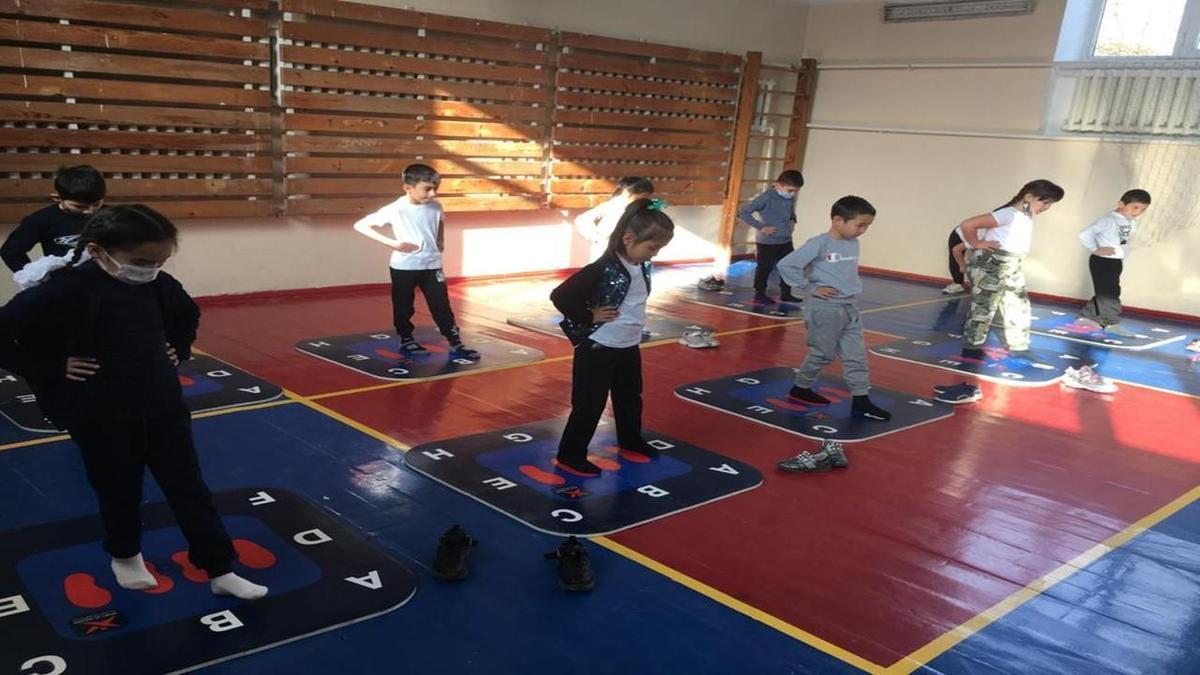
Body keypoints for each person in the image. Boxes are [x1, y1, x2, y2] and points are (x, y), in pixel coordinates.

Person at [0, 205, 267, 600]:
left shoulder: (159, 285)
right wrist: (51, 366)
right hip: (99, 412)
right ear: (97, 251)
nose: (150, 270)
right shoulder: (64, 290)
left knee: (189, 488)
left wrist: (179, 347)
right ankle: (125, 555)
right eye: (141, 262)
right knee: (118, 489)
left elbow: (187, 314)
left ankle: (219, 567)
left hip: (161, 403)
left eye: (159, 262)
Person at [549, 198, 675, 476]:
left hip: (628, 345)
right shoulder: (602, 268)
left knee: (630, 397)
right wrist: (588, 315)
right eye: (652, 248)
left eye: (659, 249)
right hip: (598, 346)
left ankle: (630, 439)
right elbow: (560, 296)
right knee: (589, 403)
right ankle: (571, 454)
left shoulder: (641, 266)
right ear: (629, 238)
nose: (654, 254)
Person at [776, 195, 891, 423]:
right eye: (860, 225)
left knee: (856, 356)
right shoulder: (819, 243)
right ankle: (801, 387)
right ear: (838, 220)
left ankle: (861, 400)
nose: (863, 231)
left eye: (867, 226)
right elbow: (786, 265)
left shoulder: (853, 242)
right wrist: (809, 287)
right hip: (825, 309)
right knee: (822, 354)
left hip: (848, 306)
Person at [352, 163, 479, 359]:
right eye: (427, 189)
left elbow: (440, 220)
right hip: (405, 267)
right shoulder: (397, 209)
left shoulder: (435, 206)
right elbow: (360, 225)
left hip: (432, 265)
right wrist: (393, 244)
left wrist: (441, 238)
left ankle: (455, 341)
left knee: (441, 305)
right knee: (404, 305)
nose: (432, 194)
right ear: (407, 188)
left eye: (435, 189)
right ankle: (406, 338)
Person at [958, 179, 1065, 360]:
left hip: (1012, 264)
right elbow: (968, 225)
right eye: (1045, 202)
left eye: (1050, 204)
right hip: (991, 264)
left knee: (1018, 304)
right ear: (1028, 197)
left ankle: (1019, 346)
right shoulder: (1008, 214)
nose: (1047, 207)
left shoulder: (1025, 216)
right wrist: (977, 244)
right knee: (984, 306)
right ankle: (972, 347)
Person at [1072, 189, 1151, 336]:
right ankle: (1111, 323)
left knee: (1105, 291)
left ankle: (1086, 317)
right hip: (1103, 261)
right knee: (1110, 293)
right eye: (1135, 207)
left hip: (1115, 262)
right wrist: (1095, 248)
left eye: (1143, 209)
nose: (1138, 212)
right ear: (1121, 204)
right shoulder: (1108, 220)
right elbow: (1085, 234)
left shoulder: (1130, 221)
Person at [2, 165, 106, 273]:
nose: (89, 211)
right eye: (79, 206)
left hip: (107, 279)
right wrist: (33, 275)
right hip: (63, 279)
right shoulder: (41, 219)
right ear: (57, 198)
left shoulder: (112, 215)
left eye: (96, 204)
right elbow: (11, 251)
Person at [737, 169, 804, 304]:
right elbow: (743, 213)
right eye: (790, 190)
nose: (793, 194)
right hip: (767, 242)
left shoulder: (789, 198)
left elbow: (790, 212)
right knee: (764, 268)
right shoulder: (767, 197)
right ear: (778, 185)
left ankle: (786, 293)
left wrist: (793, 220)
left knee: (788, 266)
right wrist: (761, 227)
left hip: (785, 240)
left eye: (796, 191)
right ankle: (759, 294)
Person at [573, 177, 654, 257]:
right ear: (627, 193)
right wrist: (597, 238)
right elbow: (582, 220)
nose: (643, 202)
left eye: (646, 199)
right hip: (608, 251)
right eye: (640, 199)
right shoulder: (614, 205)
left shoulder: (641, 207)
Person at [942, 225, 973, 294]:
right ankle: (957, 283)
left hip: (977, 237)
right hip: (959, 235)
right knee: (954, 259)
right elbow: (956, 250)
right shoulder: (981, 236)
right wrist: (961, 265)